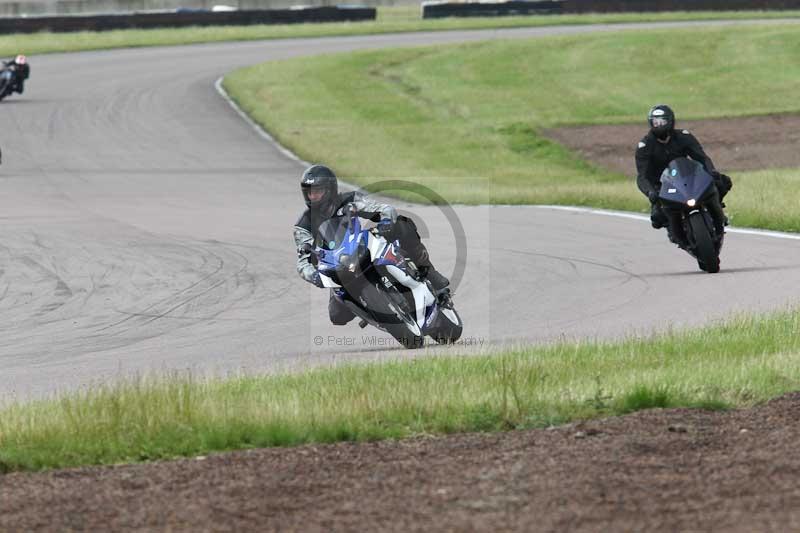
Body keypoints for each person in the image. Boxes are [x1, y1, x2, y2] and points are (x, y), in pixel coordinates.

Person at [293, 164, 450, 326]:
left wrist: (386, 221)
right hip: (336, 267)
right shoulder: (303, 225)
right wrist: (313, 276)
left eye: (317, 191)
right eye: (309, 192)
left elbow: (382, 208)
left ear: (330, 189)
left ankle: (429, 272)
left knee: (402, 225)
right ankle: (369, 308)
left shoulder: (349, 200)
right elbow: (302, 261)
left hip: (360, 247)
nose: (312, 196)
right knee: (337, 316)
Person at [635, 104, 732, 244]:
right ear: (650, 123)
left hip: (688, 177)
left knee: (722, 182)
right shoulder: (644, 146)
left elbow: (702, 157)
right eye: (656, 122)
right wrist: (650, 192)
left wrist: (711, 171)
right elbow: (641, 176)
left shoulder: (684, 137)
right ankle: (675, 232)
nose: (659, 125)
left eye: (662, 121)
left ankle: (718, 210)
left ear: (671, 121)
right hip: (662, 185)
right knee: (657, 218)